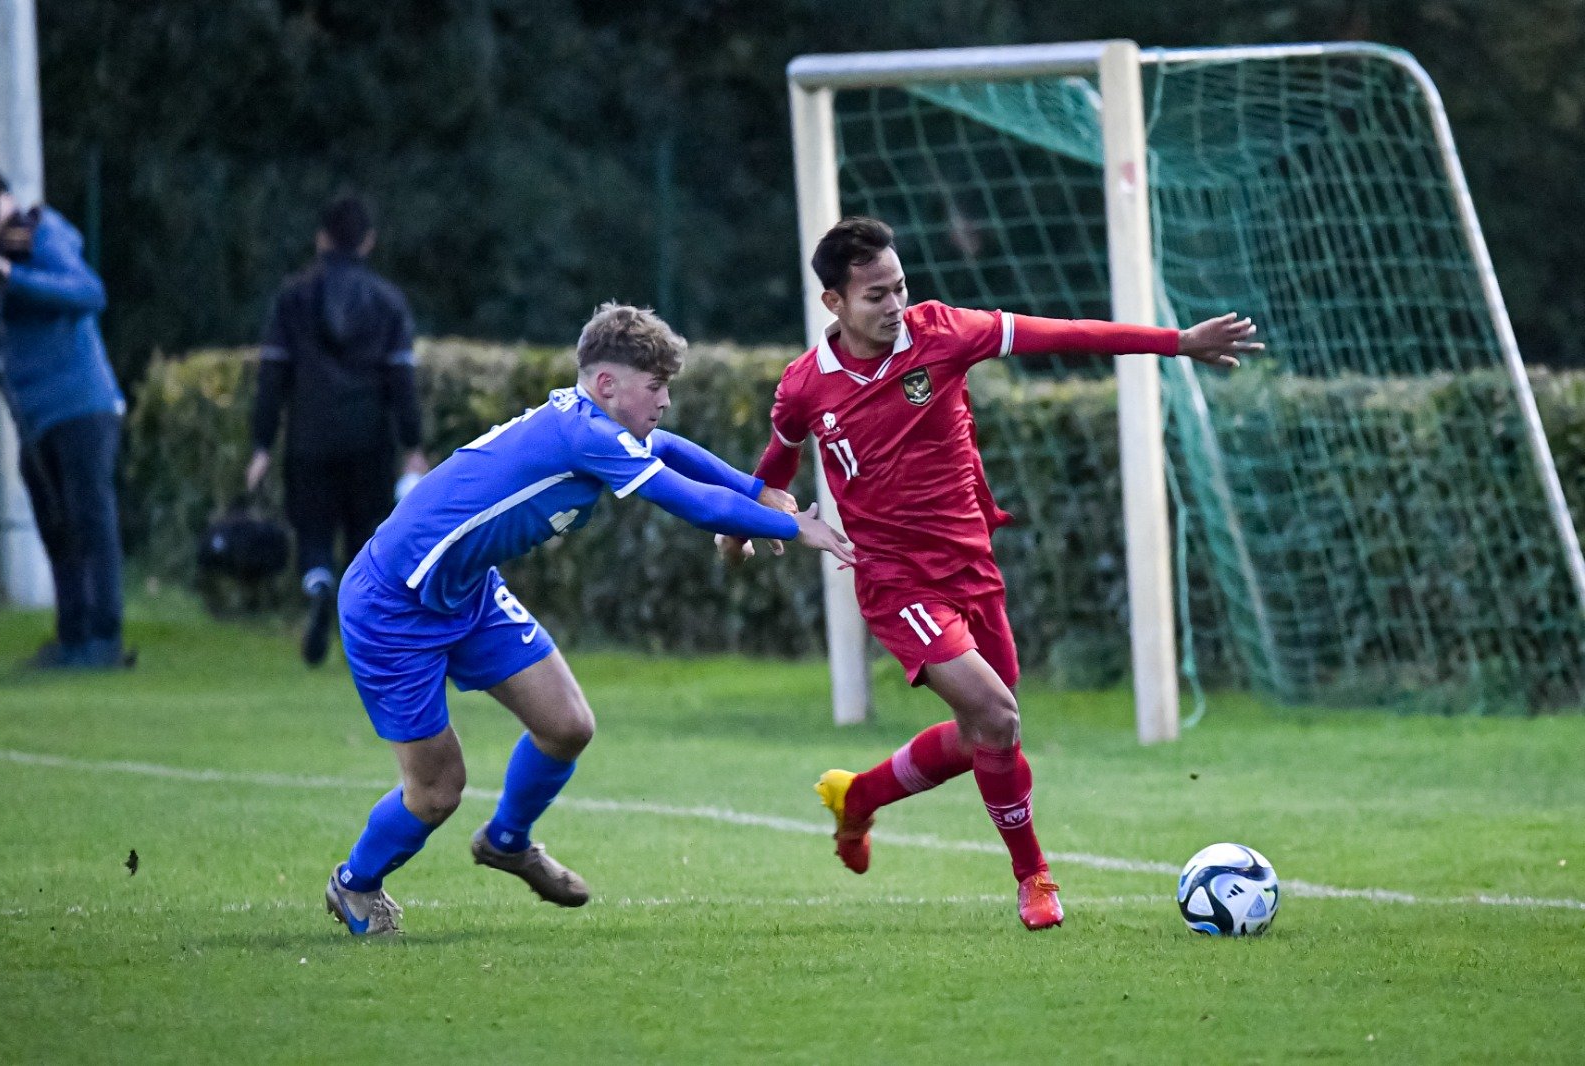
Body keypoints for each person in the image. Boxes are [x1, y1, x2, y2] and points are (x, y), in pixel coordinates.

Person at [718, 217, 1259, 930]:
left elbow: (1063, 335)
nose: (895, 305)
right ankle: (1034, 877)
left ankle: (860, 797)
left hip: (972, 567)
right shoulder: (805, 385)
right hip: (893, 581)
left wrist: (1176, 342)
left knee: (987, 735)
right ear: (834, 303)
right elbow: (777, 464)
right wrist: (744, 523)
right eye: (876, 295)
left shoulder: (944, 333)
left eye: (900, 287)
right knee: (999, 717)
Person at [323, 301, 855, 936]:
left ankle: (507, 841)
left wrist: (754, 490)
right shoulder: (587, 436)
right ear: (606, 384)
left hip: (465, 593)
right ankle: (355, 884)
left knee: (567, 726)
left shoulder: (594, 423)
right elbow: (684, 498)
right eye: (654, 386)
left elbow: (669, 450)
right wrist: (793, 527)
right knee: (437, 789)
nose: (664, 401)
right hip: (393, 605)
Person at [245, 194, 428, 666]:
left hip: (308, 438)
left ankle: (317, 583)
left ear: (321, 238)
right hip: (370, 440)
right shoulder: (387, 303)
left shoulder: (292, 299)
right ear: (368, 242)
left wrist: (261, 444)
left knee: (312, 530)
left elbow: (272, 376)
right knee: (366, 537)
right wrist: (412, 443)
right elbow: (401, 380)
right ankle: (362, 627)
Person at [0, 171, 132, 670]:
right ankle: (73, 637)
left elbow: (89, 292)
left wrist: (11, 276)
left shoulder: (40, 233)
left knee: (91, 523)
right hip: (34, 416)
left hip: (81, 405)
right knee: (56, 526)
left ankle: (104, 638)